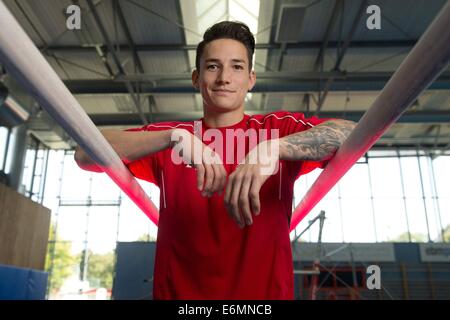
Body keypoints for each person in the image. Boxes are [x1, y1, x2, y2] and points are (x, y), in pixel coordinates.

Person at [75, 21, 355, 300]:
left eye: (237, 66)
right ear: (196, 78)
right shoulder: (171, 140)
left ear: (251, 79)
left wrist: (274, 148)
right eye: (212, 66)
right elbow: (84, 153)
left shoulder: (276, 130)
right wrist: (172, 137)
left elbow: (350, 134)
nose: (224, 77)